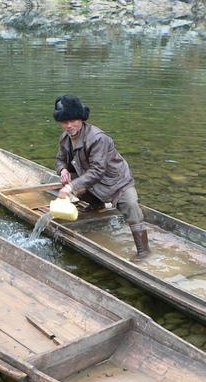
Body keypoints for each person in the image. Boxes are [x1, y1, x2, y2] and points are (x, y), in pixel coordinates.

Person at [53, 94, 150, 261]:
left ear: (81, 119)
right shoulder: (65, 139)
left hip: (116, 182)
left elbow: (98, 170)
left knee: (132, 209)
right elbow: (60, 159)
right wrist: (62, 170)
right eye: (64, 122)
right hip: (91, 181)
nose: (69, 126)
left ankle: (144, 251)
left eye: (72, 120)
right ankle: (97, 203)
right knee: (72, 184)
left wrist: (71, 186)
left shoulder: (98, 138)